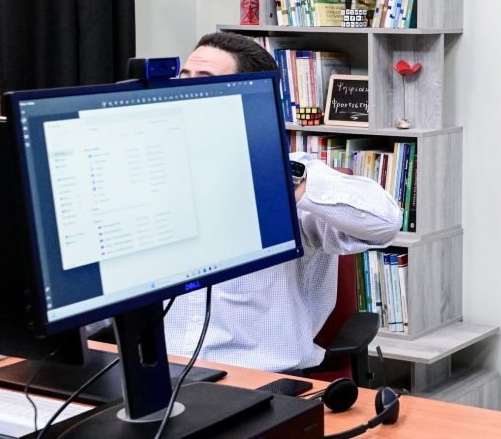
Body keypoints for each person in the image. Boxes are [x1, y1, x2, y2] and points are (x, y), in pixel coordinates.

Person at [165, 31, 401, 373]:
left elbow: (385, 222)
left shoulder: (293, 176)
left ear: (251, 100)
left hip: (258, 378)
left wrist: (287, 182)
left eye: (203, 80)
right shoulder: (155, 181)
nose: (183, 91)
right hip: (156, 374)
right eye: (182, 77)